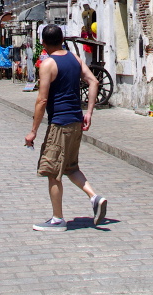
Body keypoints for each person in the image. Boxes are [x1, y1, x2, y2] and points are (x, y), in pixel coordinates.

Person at [24, 24, 107, 231]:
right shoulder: (74, 59)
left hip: (60, 123)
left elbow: (42, 100)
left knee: (53, 171)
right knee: (71, 167)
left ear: (43, 43)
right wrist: (89, 112)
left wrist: (33, 131)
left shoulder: (48, 64)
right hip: (76, 121)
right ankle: (94, 197)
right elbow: (94, 82)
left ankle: (57, 219)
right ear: (62, 40)